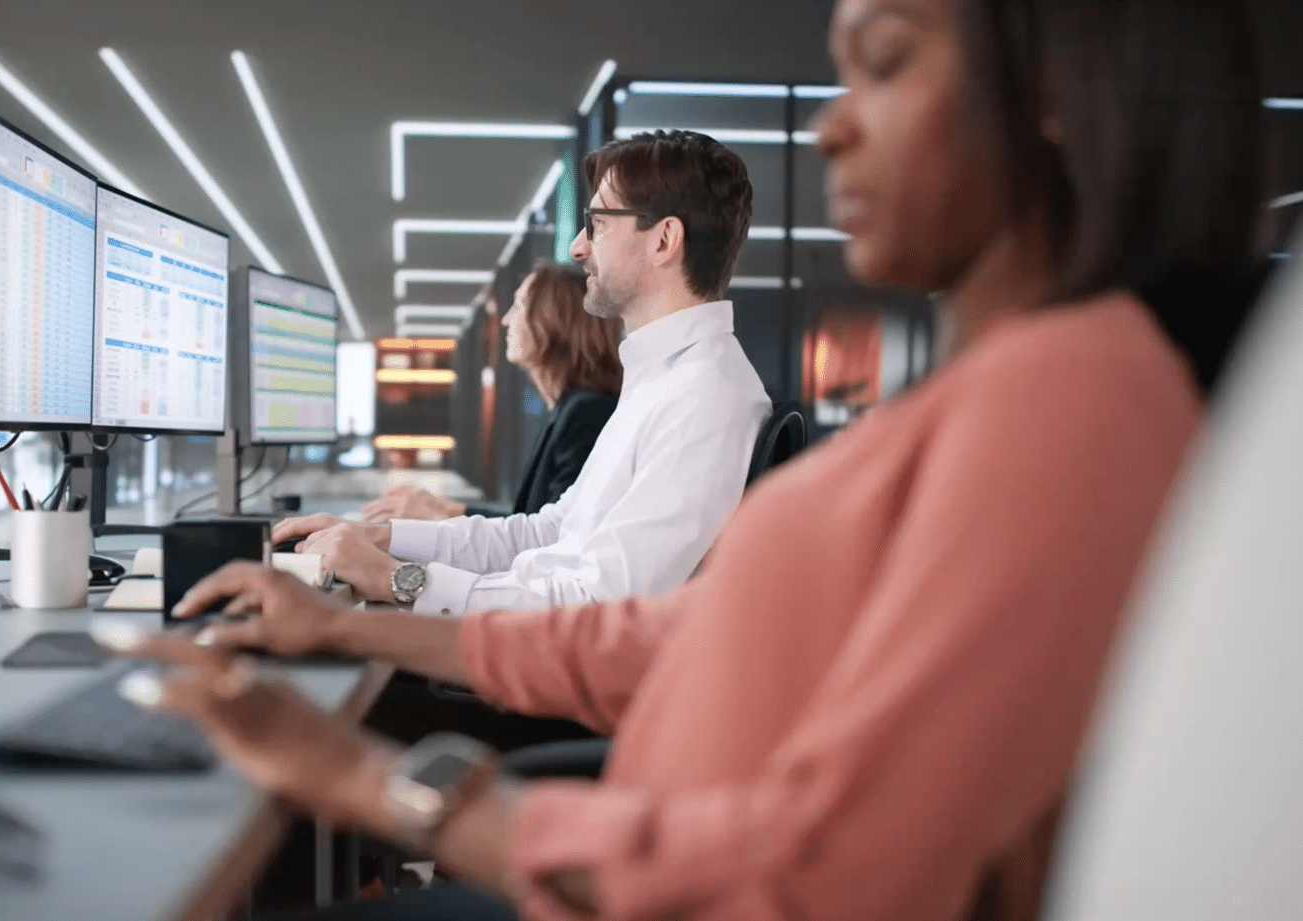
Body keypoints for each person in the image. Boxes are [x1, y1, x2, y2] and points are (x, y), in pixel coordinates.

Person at [108, 0, 1268, 917]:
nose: (829, 126)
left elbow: (822, 869)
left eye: (886, 62)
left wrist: (366, 778)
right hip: (630, 838)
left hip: (645, 873)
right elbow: (656, 631)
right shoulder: (986, 397)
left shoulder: (1070, 412)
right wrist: (353, 621)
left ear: (1052, 98)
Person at [277, 130, 773, 616]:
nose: (578, 247)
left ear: (663, 240)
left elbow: (597, 606)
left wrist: (397, 580)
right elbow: (547, 533)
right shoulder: (662, 382)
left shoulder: (704, 398)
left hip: (562, 665)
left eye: (598, 224)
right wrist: (384, 539)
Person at [363, 262, 622, 523]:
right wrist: (448, 510)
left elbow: (553, 534)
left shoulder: (587, 413)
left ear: (555, 320)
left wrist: (439, 514)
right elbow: (531, 524)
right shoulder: (571, 409)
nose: (506, 320)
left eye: (519, 305)